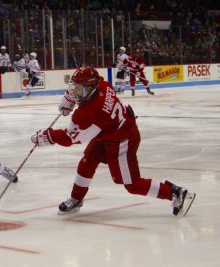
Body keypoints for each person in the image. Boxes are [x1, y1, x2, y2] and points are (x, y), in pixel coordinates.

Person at [31, 66, 195, 217]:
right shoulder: (102, 85)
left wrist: (48, 136)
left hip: (122, 140)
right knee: (87, 162)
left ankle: (176, 193)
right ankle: (76, 198)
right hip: (108, 132)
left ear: (91, 88)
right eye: (74, 87)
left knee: (132, 184)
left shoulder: (90, 113)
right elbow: (96, 83)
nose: (75, 92)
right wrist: (71, 98)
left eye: (79, 89)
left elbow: (71, 138)